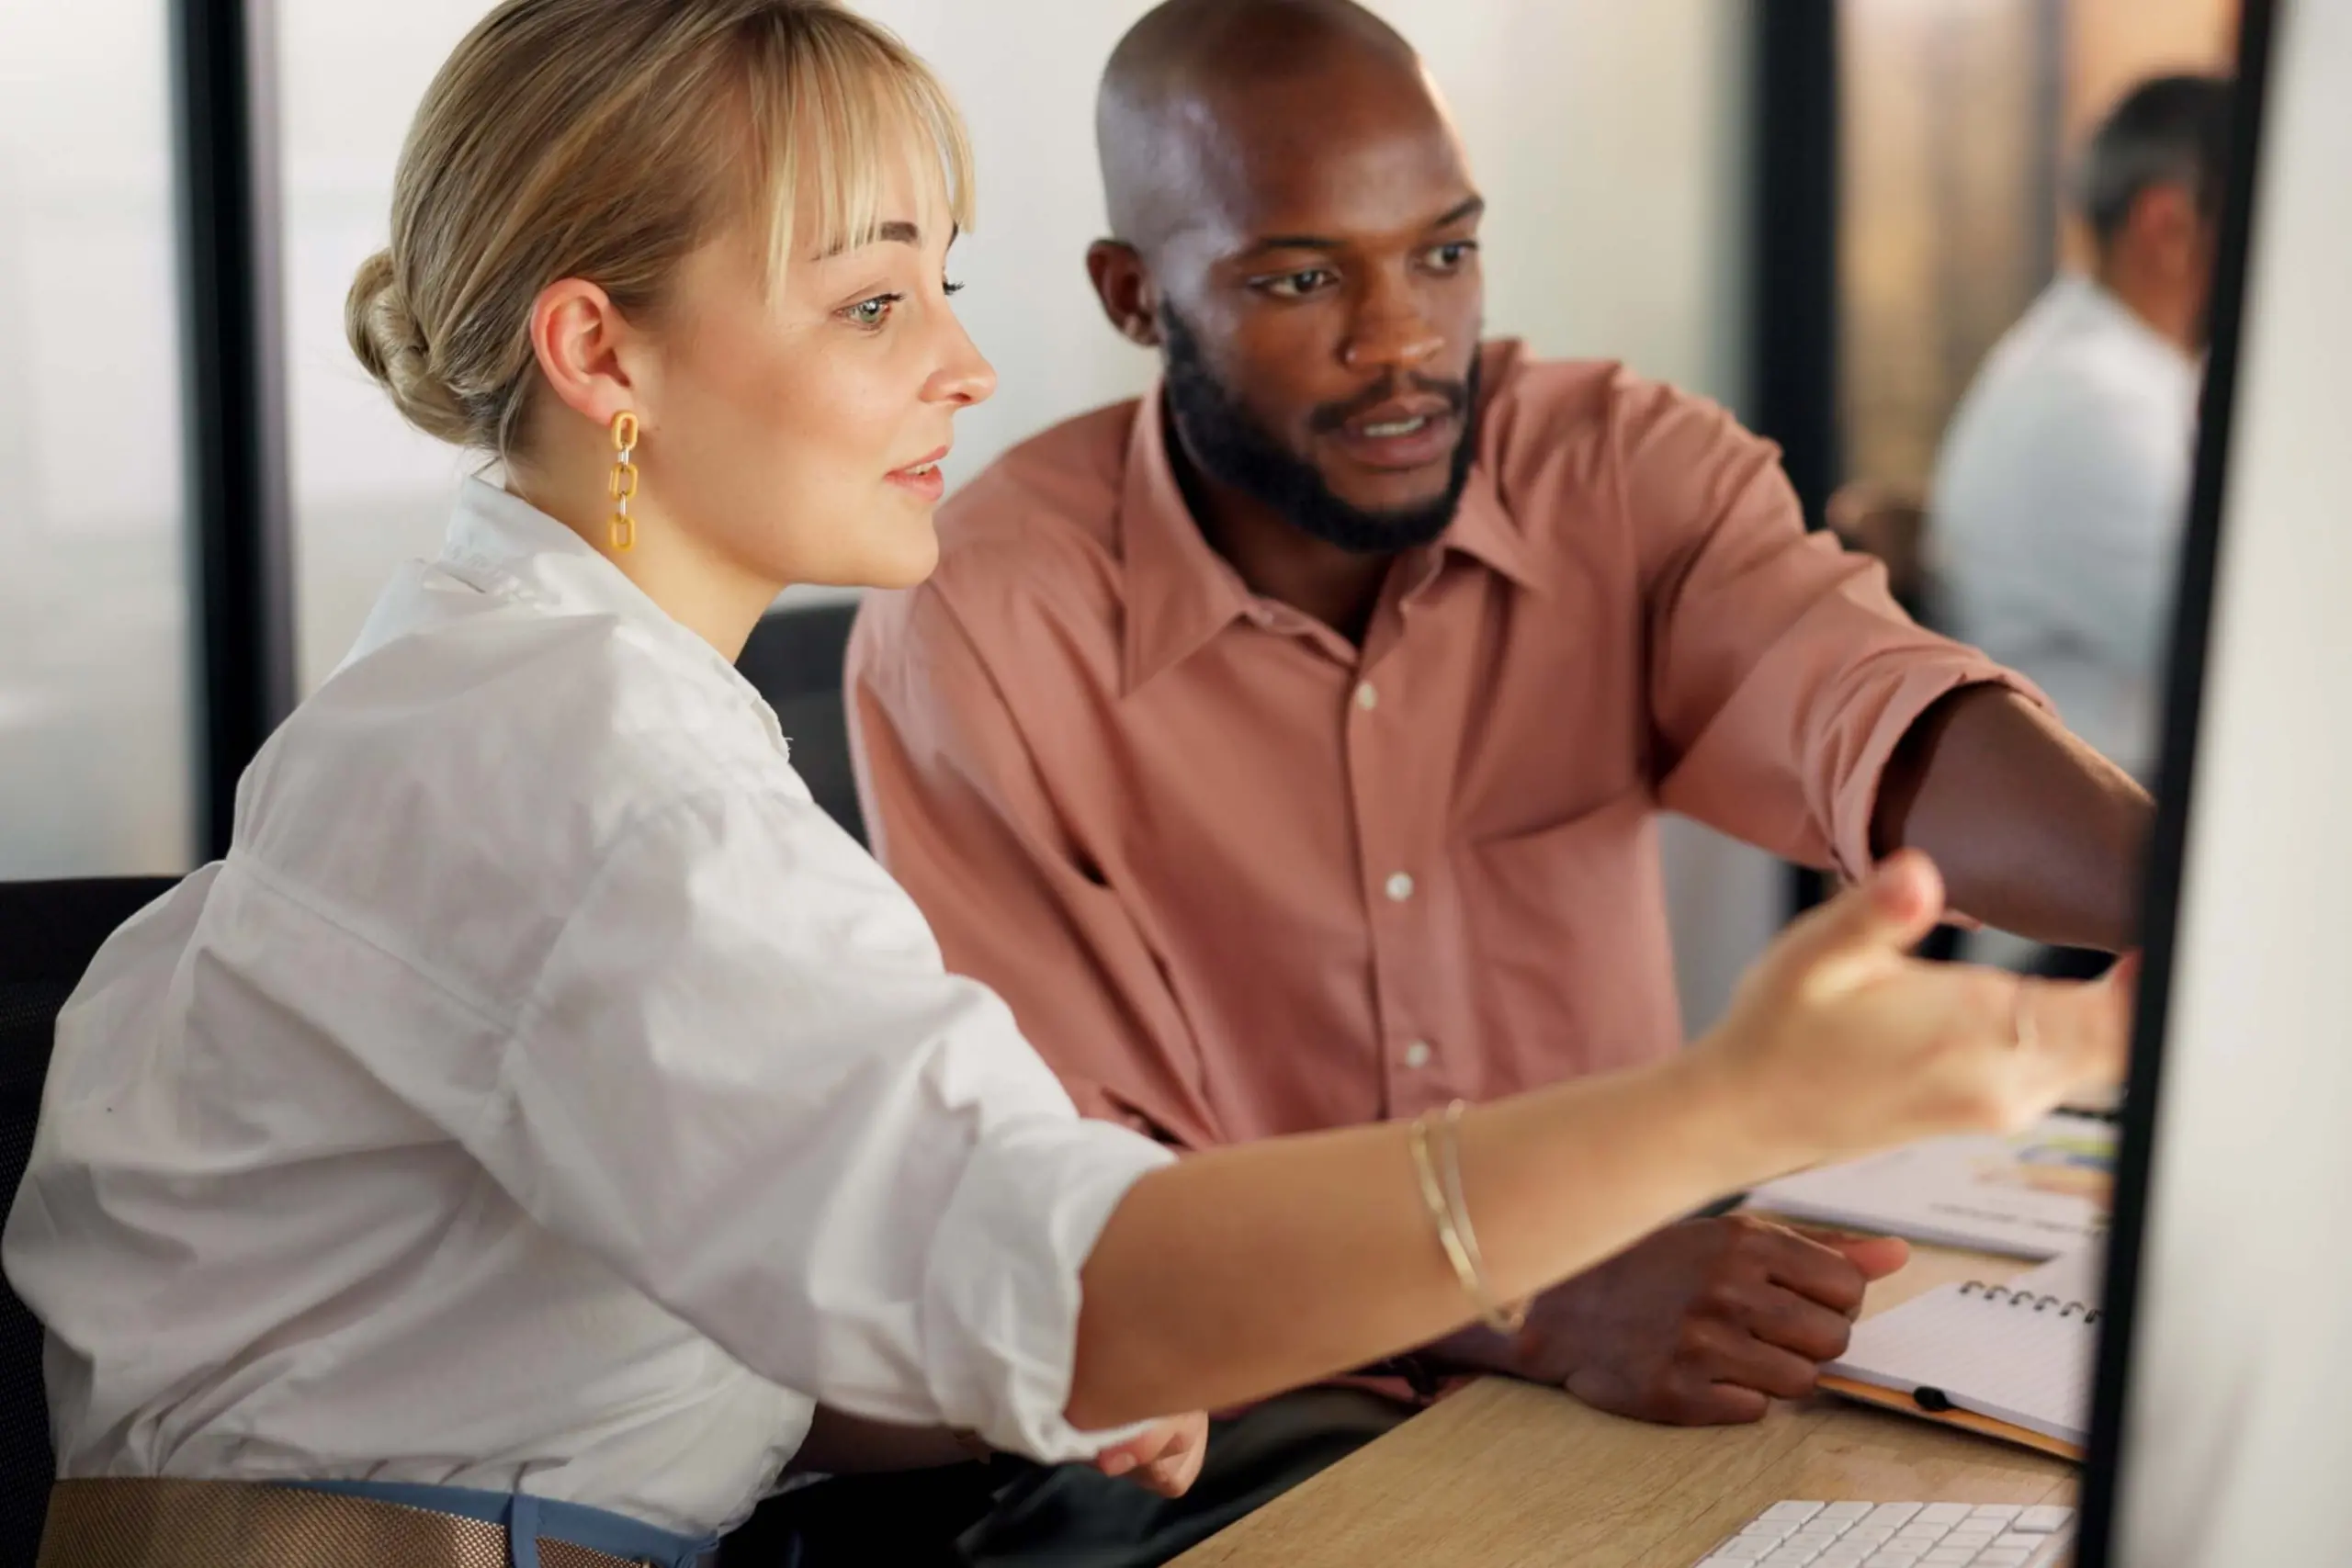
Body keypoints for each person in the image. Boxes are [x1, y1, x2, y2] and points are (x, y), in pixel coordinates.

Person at [3, 3, 2130, 1566]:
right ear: (600, 359)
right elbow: (1065, 1253)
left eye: (940, 276)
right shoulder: (581, 760)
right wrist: (1726, 1106)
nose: (964, 357)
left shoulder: (532, 691)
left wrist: (1013, 1366)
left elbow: (720, 1255)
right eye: (868, 299)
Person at [846, 1, 2154, 1559]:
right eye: (1302, 277)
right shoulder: (978, 615)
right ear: (1138, 296)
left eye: (1444, 256)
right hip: (1226, 1413)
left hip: (1640, 1344)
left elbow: (1873, 709)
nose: (1400, 339)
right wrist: (1521, 1290)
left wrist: (2211, 905)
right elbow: (1072, 1206)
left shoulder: (1619, 468)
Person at [1935, 75, 2230, 791]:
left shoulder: (2123, 371)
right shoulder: (2086, 406)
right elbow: (2255, 658)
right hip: (2115, 859)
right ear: (2169, 225)